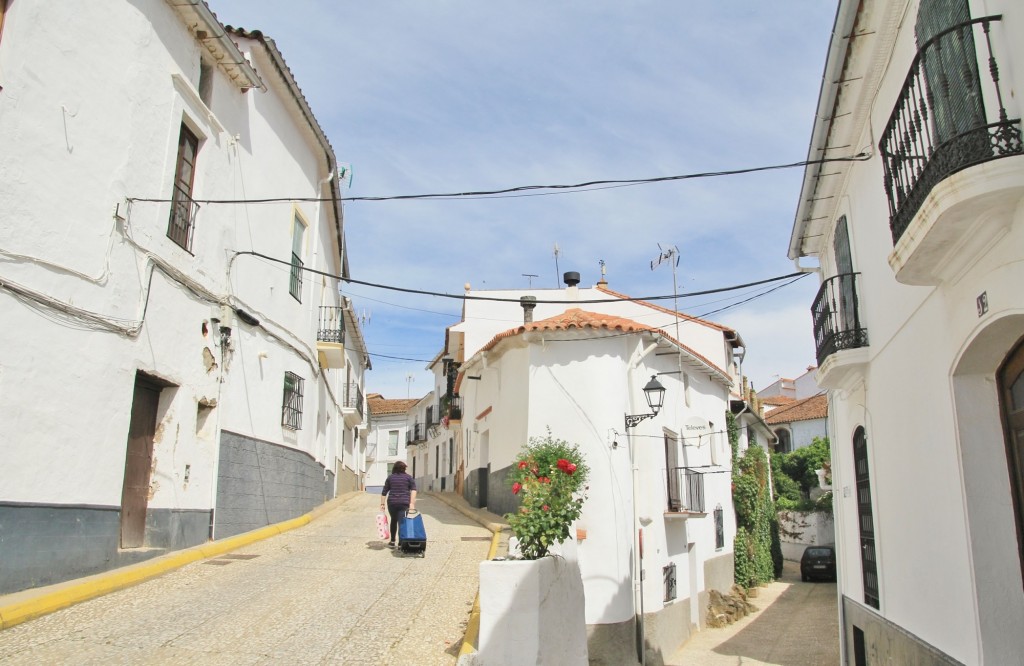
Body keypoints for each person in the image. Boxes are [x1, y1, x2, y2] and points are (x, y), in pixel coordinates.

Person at [380, 461, 416, 548]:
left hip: (392, 503)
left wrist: (382, 504)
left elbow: (384, 492)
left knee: (393, 520)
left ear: (394, 468)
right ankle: (401, 543)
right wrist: (412, 503)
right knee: (402, 522)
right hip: (404, 503)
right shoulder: (409, 478)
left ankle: (392, 541)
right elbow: (414, 490)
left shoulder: (390, 478)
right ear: (404, 469)